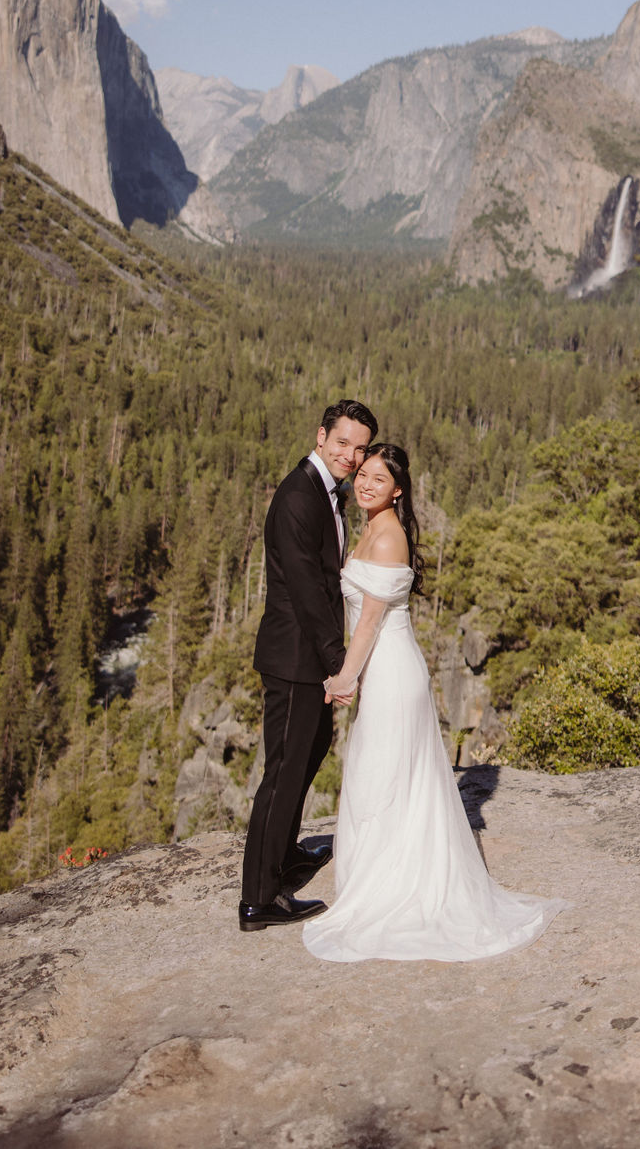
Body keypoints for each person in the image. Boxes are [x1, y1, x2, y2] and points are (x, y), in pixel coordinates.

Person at [303, 442, 568, 962]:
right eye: (363, 475)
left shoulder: (387, 540)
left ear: (398, 490)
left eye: (379, 479)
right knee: (382, 776)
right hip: (383, 669)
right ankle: (381, 876)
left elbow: (372, 623)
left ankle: (393, 887)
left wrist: (342, 679)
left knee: (382, 776)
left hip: (388, 671)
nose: (366, 484)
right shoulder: (372, 528)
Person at [239, 399, 379, 932]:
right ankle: (259, 898)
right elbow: (306, 592)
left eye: (360, 447)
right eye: (342, 442)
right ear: (321, 436)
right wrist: (338, 667)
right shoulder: (300, 497)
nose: (350, 455)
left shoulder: (324, 493)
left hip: (306, 656)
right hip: (297, 660)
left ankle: (286, 856)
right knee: (283, 771)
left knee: (309, 753)